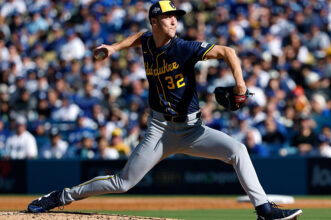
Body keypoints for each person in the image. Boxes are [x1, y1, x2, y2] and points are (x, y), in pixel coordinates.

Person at [27, 1, 302, 219]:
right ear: (155, 21)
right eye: (168, 16)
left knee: (238, 151)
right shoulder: (148, 41)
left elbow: (229, 52)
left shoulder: (184, 47)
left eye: (176, 16)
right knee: (123, 183)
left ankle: (264, 208)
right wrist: (114, 47)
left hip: (193, 130)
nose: (174, 20)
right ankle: (59, 197)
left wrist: (240, 86)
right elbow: (140, 37)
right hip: (159, 130)